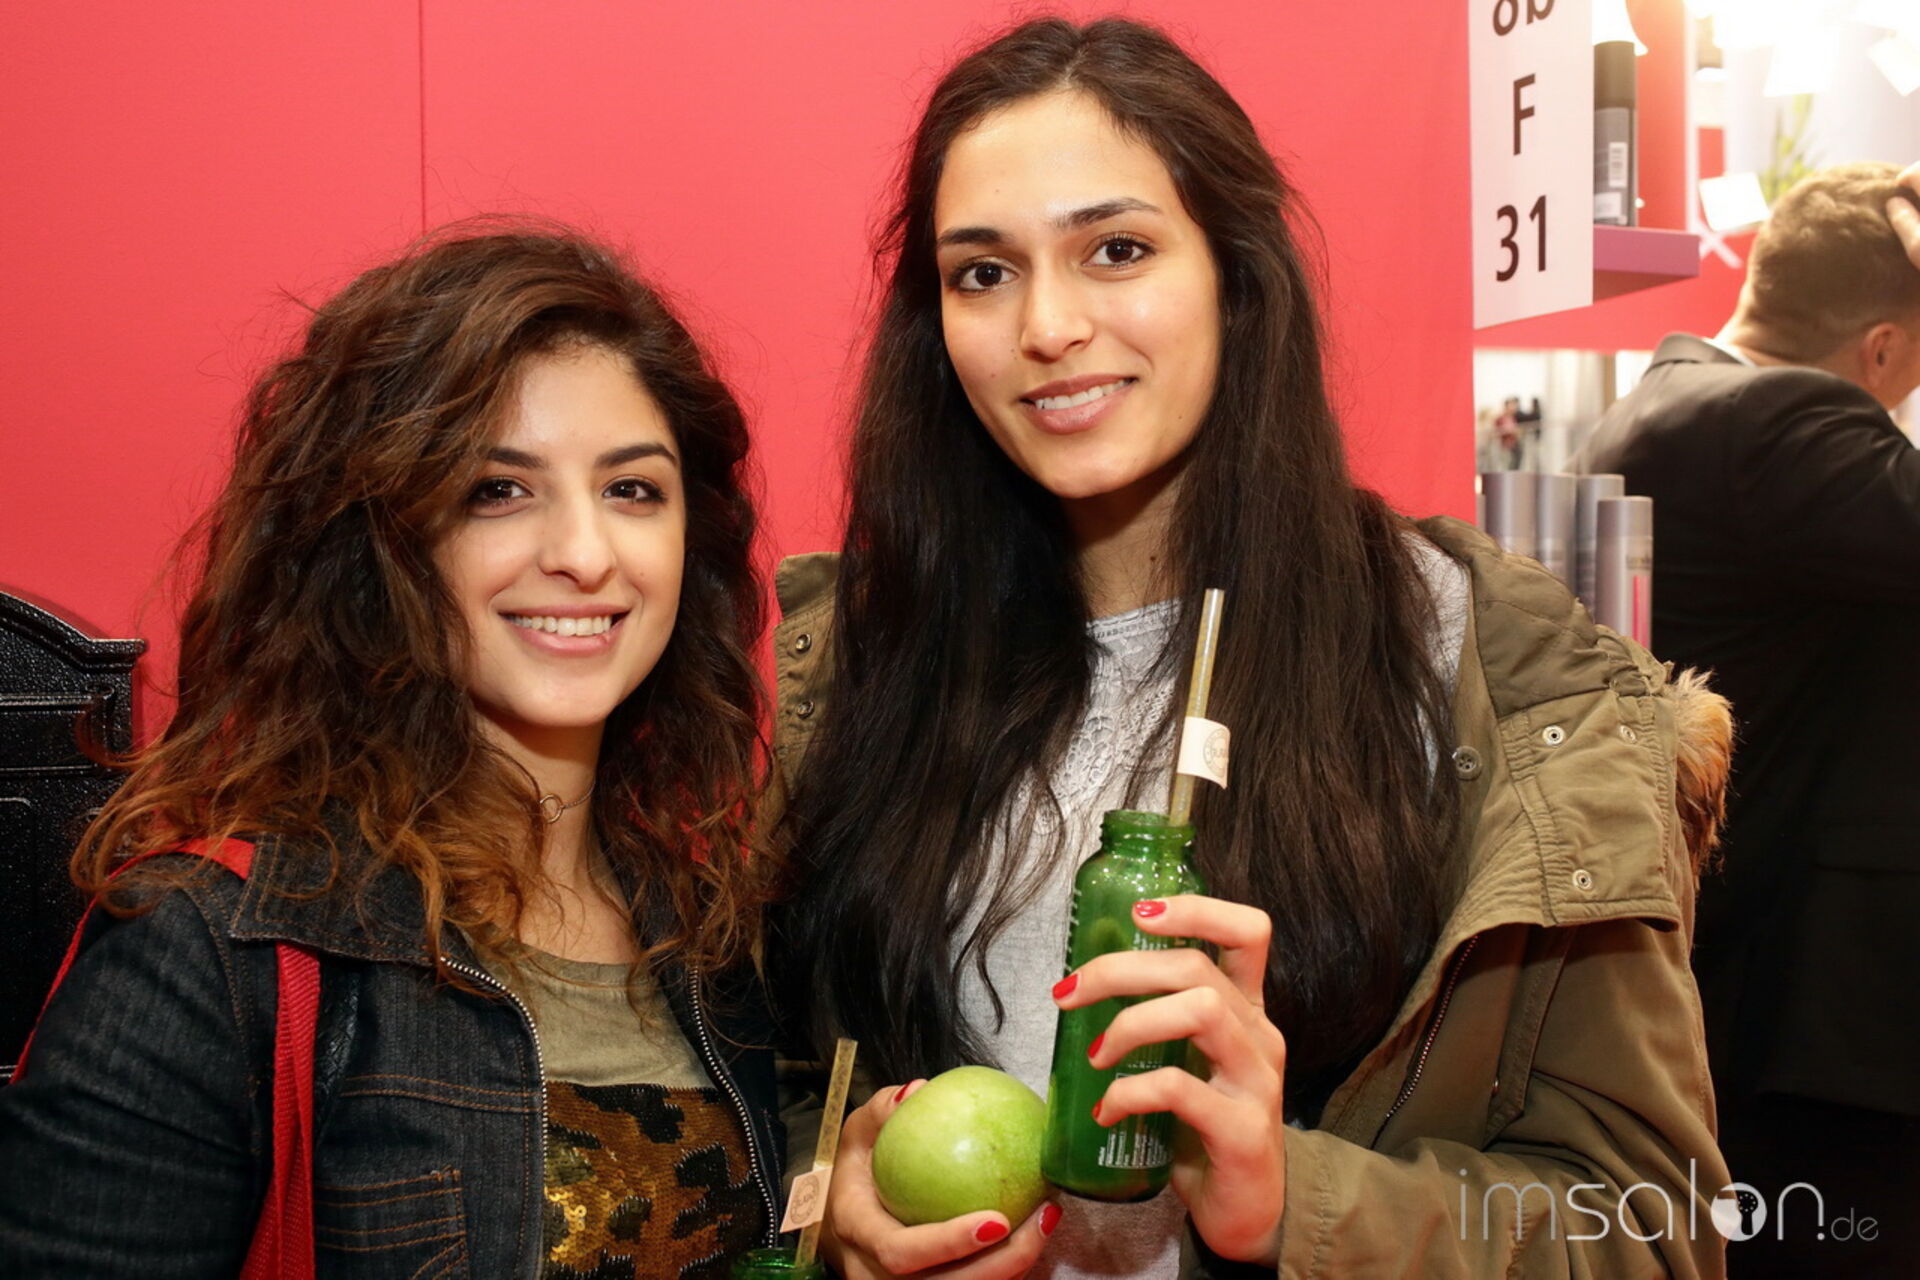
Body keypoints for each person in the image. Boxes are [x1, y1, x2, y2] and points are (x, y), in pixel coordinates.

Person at [774, 17, 1731, 1279]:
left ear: (1235, 273)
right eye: (983, 272)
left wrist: (1296, 1201)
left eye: (1117, 249)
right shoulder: (868, 658)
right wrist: (832, 1201)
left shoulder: (1476, 662)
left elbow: (1653, 1228)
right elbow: (772, 1090)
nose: (1047, 324)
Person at [0, 226, 783, 1278]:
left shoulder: (705, 931)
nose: (584, 553)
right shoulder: (206, 952)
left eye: (632, 489)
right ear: (382, 536)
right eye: (497, 489)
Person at [1577, 162, 1920, 1277]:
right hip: (1811, 1007)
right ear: (1880, 348)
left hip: (1723, 975)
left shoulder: (1655, 407)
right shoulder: (1781, 423)